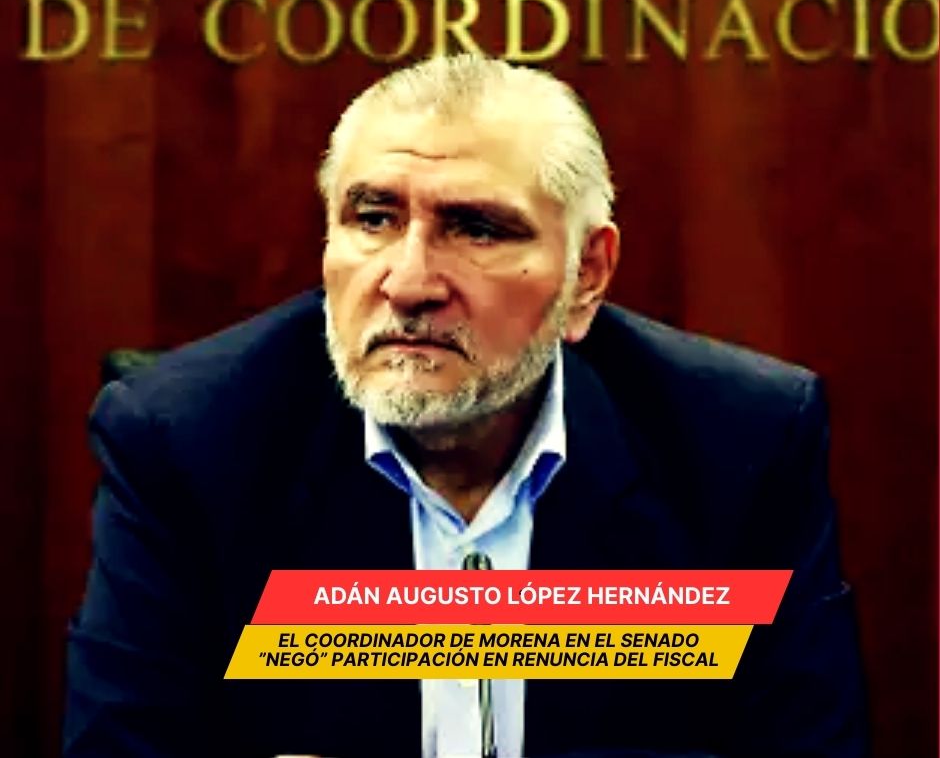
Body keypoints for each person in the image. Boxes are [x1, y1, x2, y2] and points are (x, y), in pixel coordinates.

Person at [64, 54, 868, 758]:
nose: (409, 283)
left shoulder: (738, 443)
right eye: (373, 219)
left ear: (586, 276)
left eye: (477, 229)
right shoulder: (190, 442)